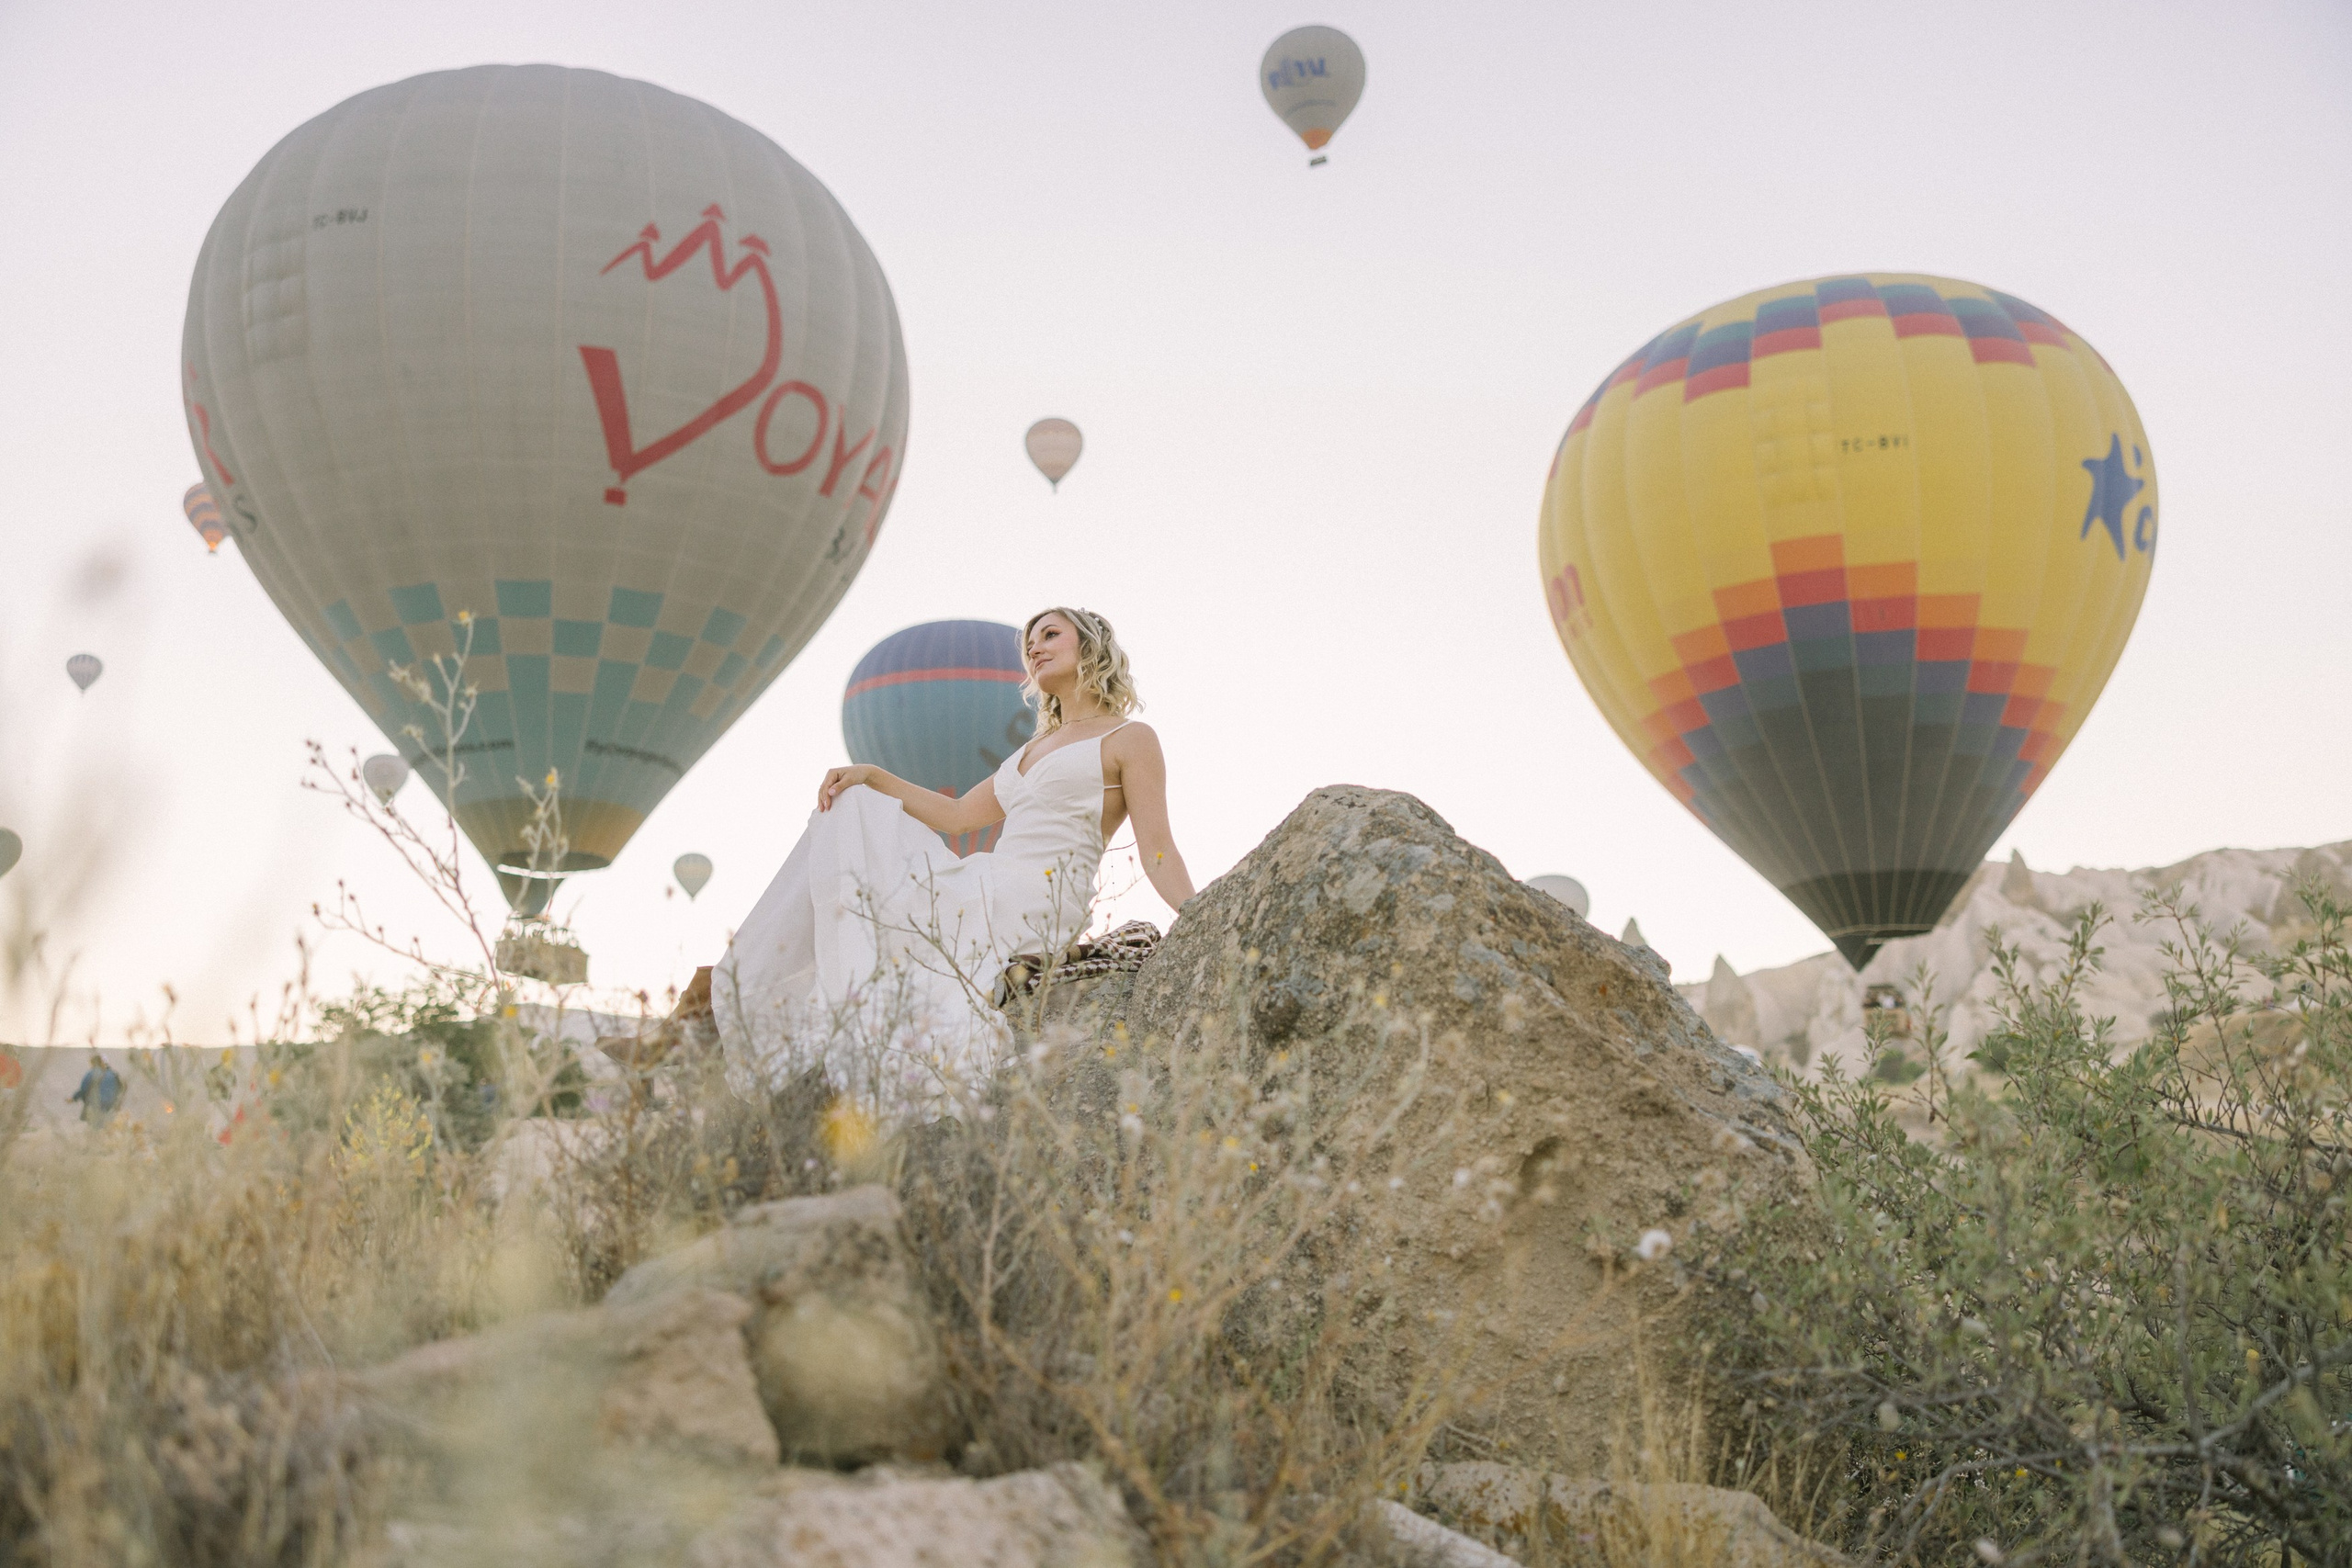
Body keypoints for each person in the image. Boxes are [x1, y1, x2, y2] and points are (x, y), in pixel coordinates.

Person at [715, 607, 1196, 1106]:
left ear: (1091, 646)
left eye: (1051, 635)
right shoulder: (1031, 750)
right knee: (856, 816)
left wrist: (1195, 912)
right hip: (988, 880)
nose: (1034, 648)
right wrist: (871, 775)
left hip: (1039, 898)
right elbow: (958, 815)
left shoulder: (1128, 738)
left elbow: (1156, 847)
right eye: (1029, 643)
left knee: (905, 934)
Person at [69, 1053, 122, 1125]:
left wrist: (74, 1098)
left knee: (94, 1128)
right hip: (110, 1107)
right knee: (107, 1127)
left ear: (93, 1063)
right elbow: (120, 1089)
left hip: (95, 1105)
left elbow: (83, 1090)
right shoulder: (113, 1074)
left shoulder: (91, 1073)